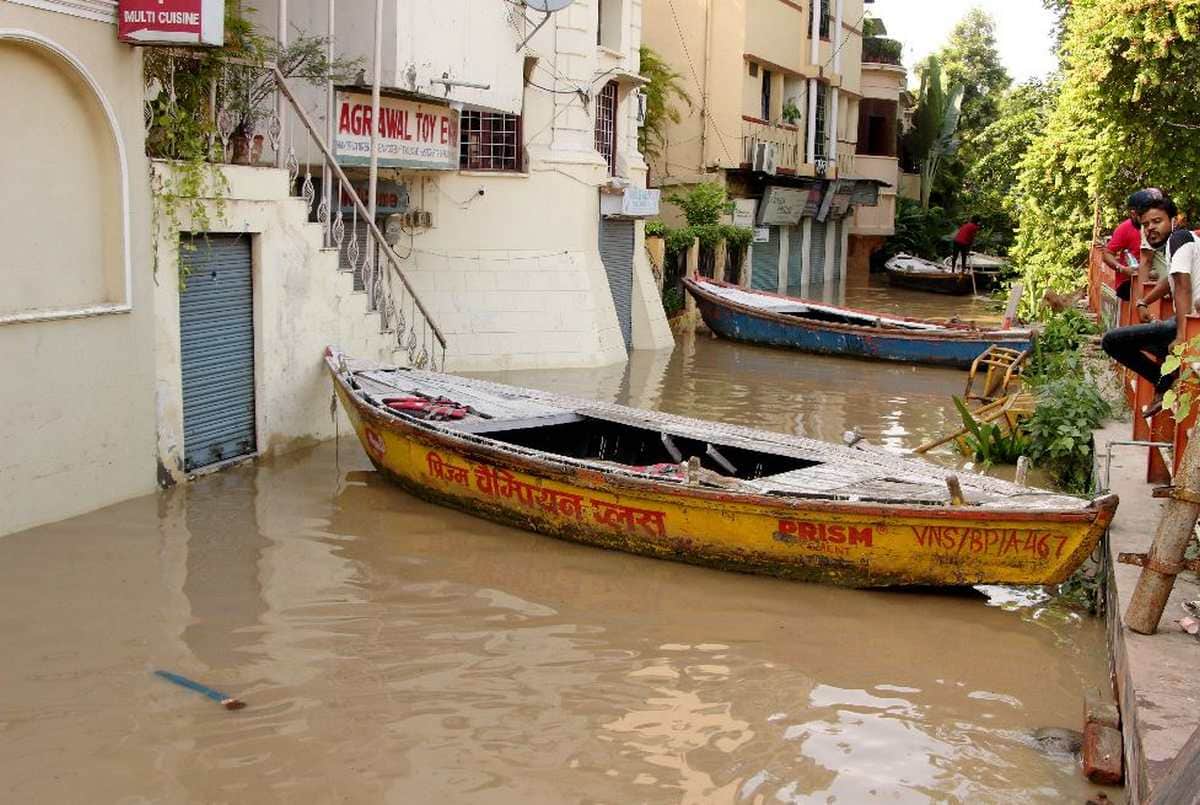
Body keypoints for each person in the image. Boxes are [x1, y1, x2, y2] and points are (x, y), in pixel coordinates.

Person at [1101, 195, 1200, 416]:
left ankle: (1164, 383)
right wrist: (1144, 301)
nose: (1150, 228)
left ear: (1174, 220)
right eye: (1146, 224)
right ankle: (1166, 379)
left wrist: (1182, 337)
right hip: (1189, 320)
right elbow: (1171, 280)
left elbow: (1183, 286)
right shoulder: (1179, 242)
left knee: (1112, 341)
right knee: (1153, 339)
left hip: (1192, 326)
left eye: (1157, 221)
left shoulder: (1179, 240)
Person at [1101, 190, 1161, 302]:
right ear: (1134, 214)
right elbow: (1107, 254)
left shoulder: (1162, 227)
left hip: (1158, 280)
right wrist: (1122, 269)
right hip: (1130, 283)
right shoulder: (1125, 228)